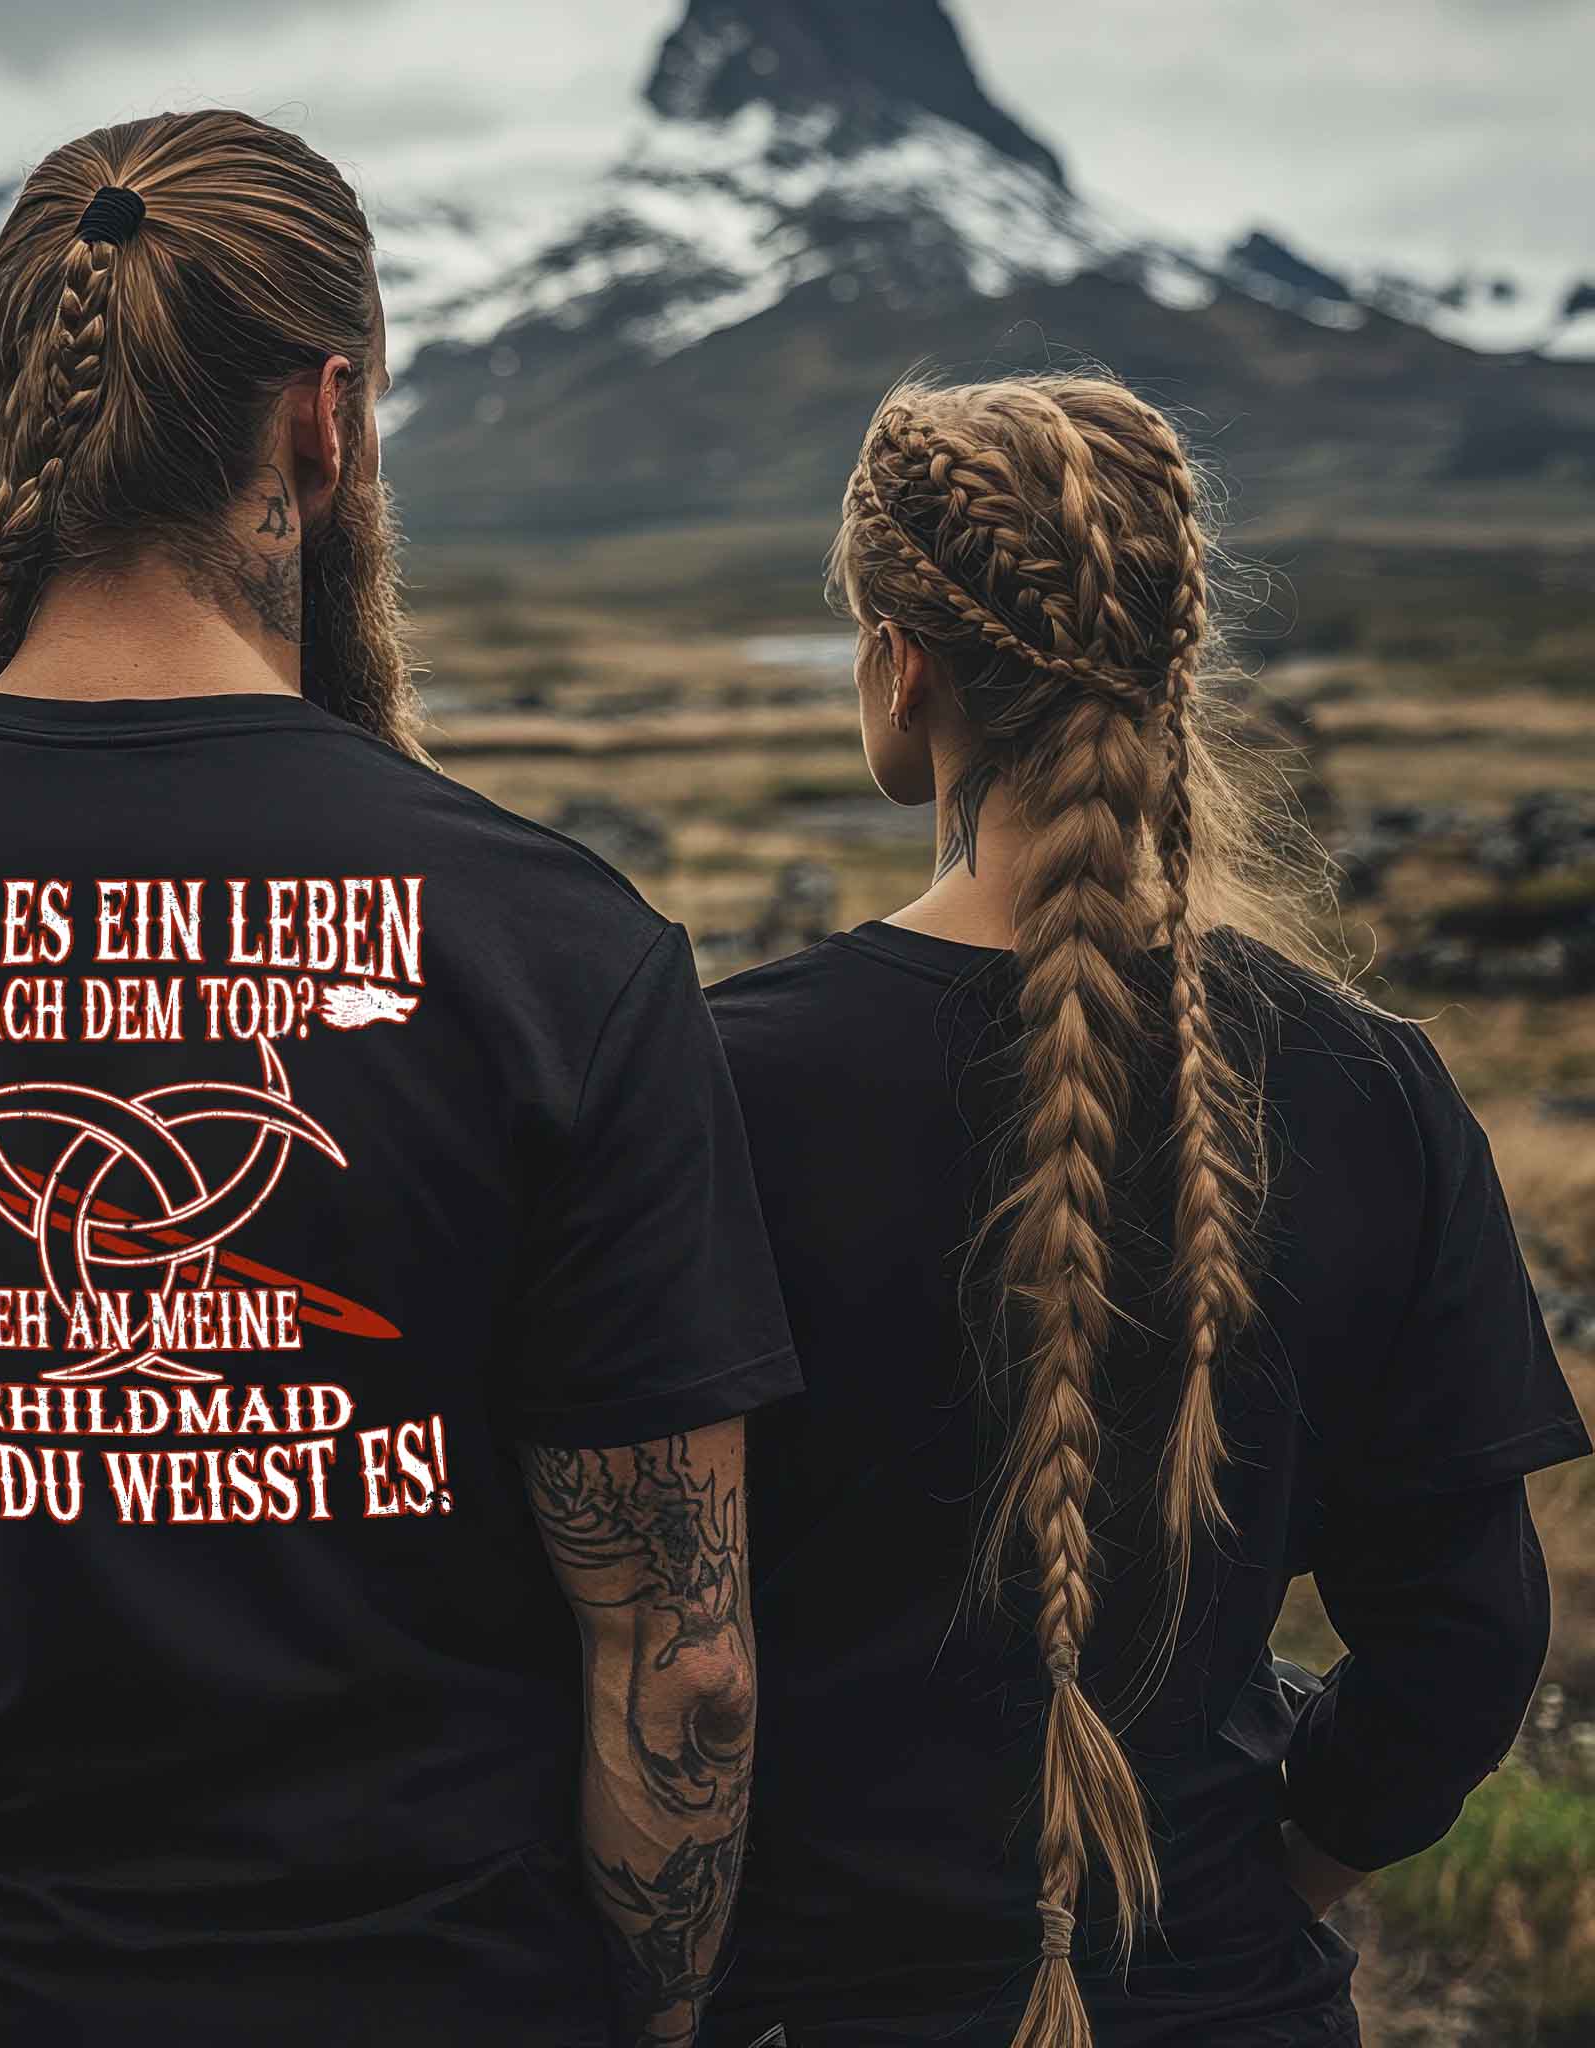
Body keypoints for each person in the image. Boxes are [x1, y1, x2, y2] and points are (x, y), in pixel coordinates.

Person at [0, 110, 799, 2048]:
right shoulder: (555, 946)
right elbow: (681, 1654)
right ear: (330, 415)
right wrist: (641, 2010)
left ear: (15, 418)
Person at [700, 372, 1590, 2048]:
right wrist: (1275, 1873)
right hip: (1233, 2002)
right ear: (1172, 657)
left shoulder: (726, 1088)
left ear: (902, 663)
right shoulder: (1369, 1086)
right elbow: (1469, 1639)